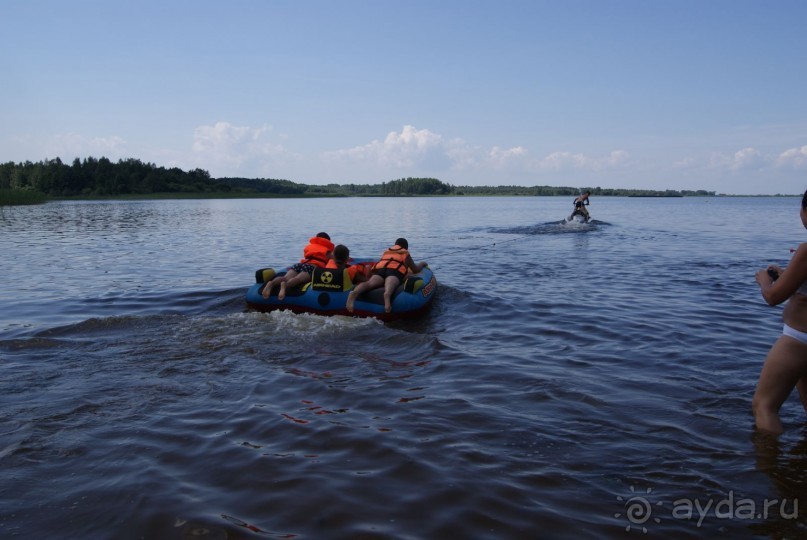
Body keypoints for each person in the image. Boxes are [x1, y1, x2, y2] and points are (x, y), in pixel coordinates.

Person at [753, 189, 807, 435]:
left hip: (799, 340)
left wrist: (765, 280)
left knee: (765, 406)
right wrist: (789, 277)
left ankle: (770, 468)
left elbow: (773, 298)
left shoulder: (806, 250)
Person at [346, 238, 427, 314]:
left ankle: (354, 293)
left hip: (381, 270)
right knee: (391, 281)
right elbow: (415, 269)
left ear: (395, 245)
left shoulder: (387, 251)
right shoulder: (405, 253)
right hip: (394, 270)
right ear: (406, 247)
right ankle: (387, 294)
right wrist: (422, 264)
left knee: (369, 283)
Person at [261, 232, 334, 301]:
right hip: (311, 267)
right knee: (298, 279)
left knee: (285, 277)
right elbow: (333, 262)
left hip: (301, 264)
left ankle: (271, 283)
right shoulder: (328, 251)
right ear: (327, 241)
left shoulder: (309, 246)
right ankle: (285, 286)